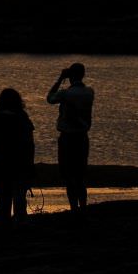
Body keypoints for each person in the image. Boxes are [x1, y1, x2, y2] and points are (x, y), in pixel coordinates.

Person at [0, 87, 35, 226]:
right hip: (20, 161)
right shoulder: (23, 118)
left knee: (2, 198)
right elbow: (30, 142)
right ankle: (20, 222)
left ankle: (1, 223)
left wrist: (0, 141)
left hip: (0, 161)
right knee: (19, 196)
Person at [46, 62, 95, 211]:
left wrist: (61, 78)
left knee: (69, 174)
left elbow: (50, 98)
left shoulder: (66, 94)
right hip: (82, 137)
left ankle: (74, 207)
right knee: (80, 174)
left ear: (71, 75)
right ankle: (83, 206)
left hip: (67, 138)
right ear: (83, 74)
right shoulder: (90, 92)